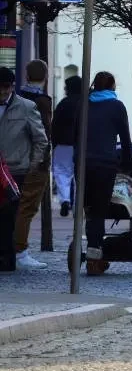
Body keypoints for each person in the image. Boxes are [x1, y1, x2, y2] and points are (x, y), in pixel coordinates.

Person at [79, 72, 132, 275]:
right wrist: (127, 164)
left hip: (83, 163)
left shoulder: (84, 105)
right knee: (99, 211)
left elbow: (76, 134)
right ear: (112, 86)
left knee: (89, 210)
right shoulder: (116, 106)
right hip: (105, 165)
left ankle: (92, 252)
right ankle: (94, 257)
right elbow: (125, 139)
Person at [0, 67, 47, 273]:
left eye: (6, 87)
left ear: (12, 87)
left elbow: (40, 140)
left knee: (9, 215)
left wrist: (32, 165)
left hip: (15, 169)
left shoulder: (26, 107)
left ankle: (9, 259)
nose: (2, 92)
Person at [13, 60, 53, 270]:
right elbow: (44, 135)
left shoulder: (16, 98)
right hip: (34, 162)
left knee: (12, 207)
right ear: (46, 77)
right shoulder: (42, 102)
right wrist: (41, 161)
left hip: (13, 159)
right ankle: (20, 251)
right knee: (27, 208)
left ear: (26, 76)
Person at [51, 75, 83, 216]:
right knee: (79, 175)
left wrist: (54, 143)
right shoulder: (86, 103)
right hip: (81, 144)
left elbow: (55, 125)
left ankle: (65, 199)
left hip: (63, 143)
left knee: (62, 173)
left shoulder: (63, 104)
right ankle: (77, 205)